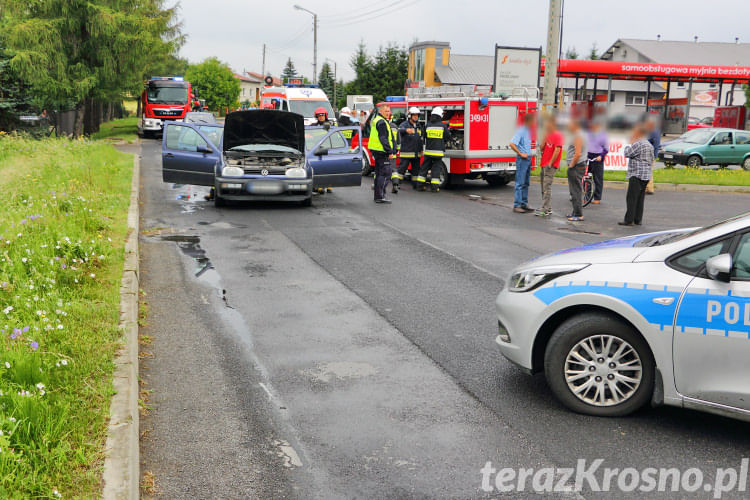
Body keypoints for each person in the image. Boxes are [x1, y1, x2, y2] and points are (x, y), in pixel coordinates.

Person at [619, 123, 654, 226]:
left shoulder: (638, 143)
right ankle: (638, 219)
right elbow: (652, 159)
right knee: (640, 197)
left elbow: (627, 153)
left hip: (637, 173)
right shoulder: (649, 144)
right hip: (646, 174)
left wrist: (628, 144)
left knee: (631, 197)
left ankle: (629, 220)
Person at [368, 104, 397, 204]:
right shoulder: (382, 122)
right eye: (386, 111)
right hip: (382, 151)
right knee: (385, 173)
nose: (388, 113)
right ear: (380, 111)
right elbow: (383, 138)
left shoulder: (378, 120)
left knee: (379, 173)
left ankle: (378, 196)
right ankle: (380, 196)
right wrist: (389, 151)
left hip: (378, 151)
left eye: (389, 111)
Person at [416, 107, 449, 192]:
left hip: (428, 151)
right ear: (440, 115)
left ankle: (420, 186)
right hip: (438, 153)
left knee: (424, 168)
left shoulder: (428, 125)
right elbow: (447, 137)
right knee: (436, 169)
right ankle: (434, 188)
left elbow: (424, 136)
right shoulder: (442, 125)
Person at [535, 116, 563, 217]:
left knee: (547, 187)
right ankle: (547, 207)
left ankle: (545, 209)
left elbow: (557, 150)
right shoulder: (548, 135)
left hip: (550, 165)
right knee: (543, 187)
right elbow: (542, 148)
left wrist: (550, 163)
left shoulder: (558, 135)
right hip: (544, 163)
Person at [392, 107, 423, 193]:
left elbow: (420, 138)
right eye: (414, 115)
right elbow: (399, 130)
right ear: (410, 116)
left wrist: (421, 149)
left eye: (417, 115)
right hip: (407, 152)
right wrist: (406, 130)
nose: (416, 117)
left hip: (416, 153)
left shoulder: (419, 126)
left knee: (416, 170)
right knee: (402, 169)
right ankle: (396, 184)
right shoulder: (404, 125)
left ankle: (415, 185)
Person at [509, 113, 536, 212]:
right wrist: (520, 153)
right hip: (522, 159)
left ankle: (524, 203)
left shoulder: (529, 131)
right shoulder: (521, 131)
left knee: (526, 182)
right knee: (520, 182)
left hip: (528, 158)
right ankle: (517, 205)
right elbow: (512, 144)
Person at [565, 117, 588, 222]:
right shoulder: (580, 134)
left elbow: (577, 153)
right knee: (574, 190)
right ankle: (575, 211)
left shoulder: (578, 135)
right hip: (578, 165)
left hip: (576, 166)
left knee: (575, 191)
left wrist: (571, 165)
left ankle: (578, 214)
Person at [586, 119, 608, 204]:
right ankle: (587, 196)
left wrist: (601, 156)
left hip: (598, 157)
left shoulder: (603, 135)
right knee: (587, 177)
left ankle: (597, 198)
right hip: (588, 156)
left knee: (598, 178)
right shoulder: (588, 133)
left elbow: (606, 149)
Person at [644, 115, 660, 195]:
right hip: (651, 154)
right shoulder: (652, 131)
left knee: (648, 171)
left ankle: (649, 189)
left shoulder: (653, 131)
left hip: (651, 155)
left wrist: (652, 155)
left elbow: (655, 145)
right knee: (648, 171)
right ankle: (648, 188)